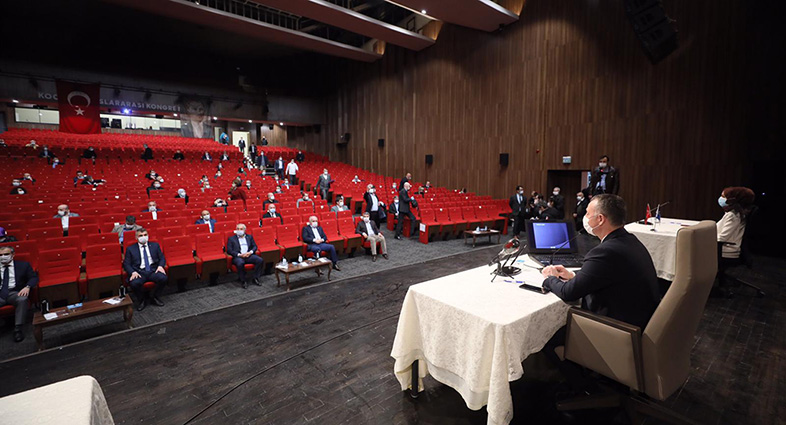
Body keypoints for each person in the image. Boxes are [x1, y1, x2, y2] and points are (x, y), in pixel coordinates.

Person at [540, 194, 660, 390]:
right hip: (639, 324)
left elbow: (569, 293)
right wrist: (573, 276)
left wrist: (550, 278)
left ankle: (586, 387)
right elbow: (610, 277)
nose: (585, 218)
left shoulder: (605, 251)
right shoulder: (629, 241)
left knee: (545, 337)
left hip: (618, 333)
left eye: (588, 214)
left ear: (600, 219)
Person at [0, 246, 39, 342]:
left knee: (22, 299)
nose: (3, 257)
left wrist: (27, 287)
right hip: (0, 293)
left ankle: (18, 329)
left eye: (6, 254)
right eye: (0, 255)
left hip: (14, 292)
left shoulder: (23, 265)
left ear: (13, 255)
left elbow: (34, 278)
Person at [122, 229, 167, 311]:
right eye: (141, 235)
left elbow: (162, 258)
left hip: (153, 270)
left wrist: (160, 266)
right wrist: (133, 272)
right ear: (136, 237)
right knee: (134, 283)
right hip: (139, 272)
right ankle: (142, 300)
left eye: (145, 235)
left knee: (163, 278)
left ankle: (155, 297)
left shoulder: (155, 245)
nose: (143, 237)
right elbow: (126, 264)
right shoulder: (130, 249)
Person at [716, 186, 756, 260]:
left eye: (723, 196)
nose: (721, 198)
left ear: (731, 200)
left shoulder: (733, 216)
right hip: (723, 247)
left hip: (725, 250)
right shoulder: (734, 213)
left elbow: (722, 238)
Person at [226, 224, 264, 289]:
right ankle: (243, 280)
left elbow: (255, 246)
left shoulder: (249, 237)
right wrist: (239, 254)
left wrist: (250, 252)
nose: (239, 230)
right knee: (240, 263)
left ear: (245, 230)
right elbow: (229, 250)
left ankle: (255, 277)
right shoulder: (231, 239)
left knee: (260, 260)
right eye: (238, 229)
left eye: (241, 229)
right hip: (238, 257)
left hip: (248, 255)